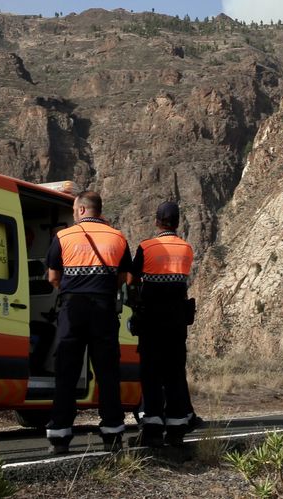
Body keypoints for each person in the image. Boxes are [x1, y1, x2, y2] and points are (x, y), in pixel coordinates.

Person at [45, 190, 133, 454]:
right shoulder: (118, 237)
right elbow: (124, 278)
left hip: (72, 308)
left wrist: (71, 290)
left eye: (74, 209)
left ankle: (60, 436)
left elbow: (52, 277)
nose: (73, 213)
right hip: (104, 308)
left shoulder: (63, 236)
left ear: (82, 209)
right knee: (107, 373)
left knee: (66, 371)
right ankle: (112, 434)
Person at [131, 201, 195, 447]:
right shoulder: (186, 248)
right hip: (177, 322)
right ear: (178, 223)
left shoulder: (146, 247)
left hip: (151, 321)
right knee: (175, 373)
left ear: (157, 221)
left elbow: (132, 279)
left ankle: (153, 428)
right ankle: (177, 429)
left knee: (151, 373)